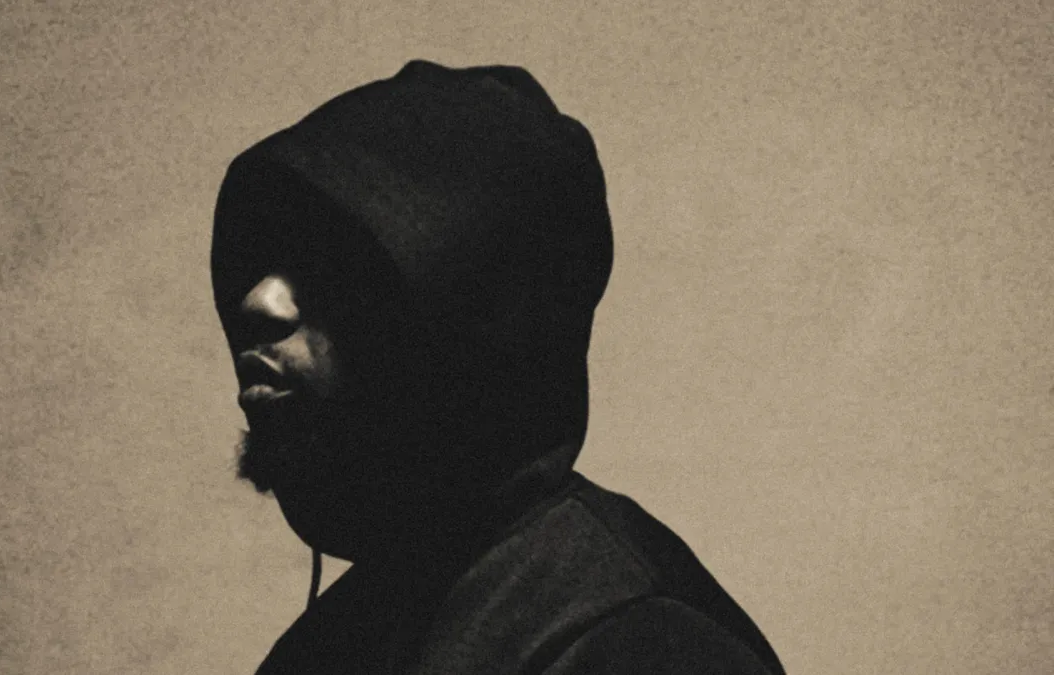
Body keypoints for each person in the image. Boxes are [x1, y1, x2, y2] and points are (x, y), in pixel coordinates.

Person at [211, 59, 786, 675]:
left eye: (330, 259)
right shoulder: (339, 640)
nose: (258, 302)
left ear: (469, 321)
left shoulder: (642, 646)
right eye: (261, 253)